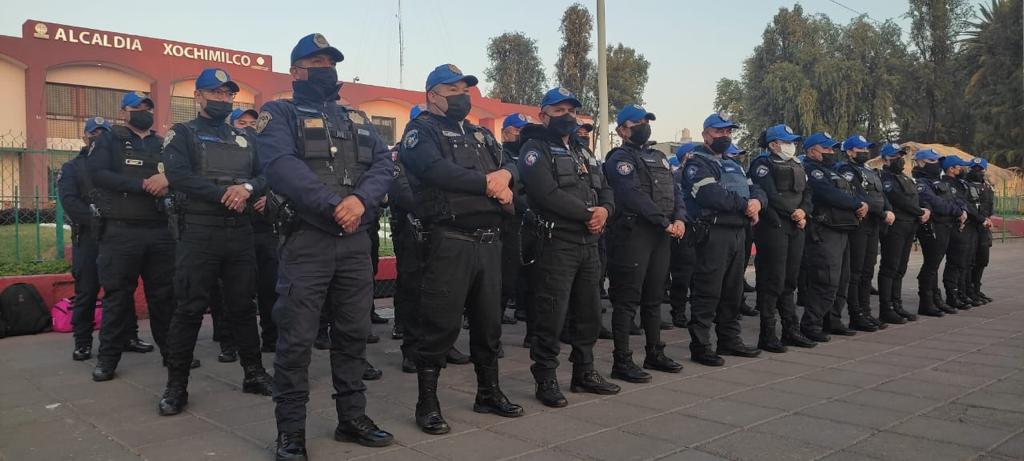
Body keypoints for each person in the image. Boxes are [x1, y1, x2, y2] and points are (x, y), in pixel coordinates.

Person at [256, 34, 395, 459]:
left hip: (354, 241)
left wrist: (359, 201)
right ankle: (291, 431)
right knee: (296, 340)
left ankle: (351, 418)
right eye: (315, 61)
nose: (325, 68)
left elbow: (384, 164)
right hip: (308, 241)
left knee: (353, 334)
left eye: (330, 61)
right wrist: (336, 205)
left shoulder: (357, 117)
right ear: (295, 70)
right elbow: (282, 167)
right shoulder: (277, 114)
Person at [399, 63, 523, 435]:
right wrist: (489, 183)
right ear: (432, 95)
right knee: (439, 325)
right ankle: (428, 402)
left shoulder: (480, 134)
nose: (462, 96)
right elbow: (435, 171)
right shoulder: (420, 132)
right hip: (449, 241)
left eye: (465, 89)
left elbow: (515, 165)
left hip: (489, 242)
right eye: (453, 89)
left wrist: (507, 176)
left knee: (488, 325)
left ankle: (488, 391)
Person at [155, 68, 274, 416]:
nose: (222, 100)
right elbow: (178, 177)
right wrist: (226, 193)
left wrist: (248, 189)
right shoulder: (182, 133)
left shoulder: (245, 138)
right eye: (216, 93)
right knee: (189, 307)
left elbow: (266, 173)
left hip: (239, 232)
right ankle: (176, 386)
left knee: (242, 306)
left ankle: (253, 373)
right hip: (199, 232)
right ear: (199, 97)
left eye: (227, 95)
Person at [517, 88, 620, 407]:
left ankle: (584, 372)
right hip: (556, 242)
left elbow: (605, 188)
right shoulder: (534, 150)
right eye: (559, 110)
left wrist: (605, 210)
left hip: (589, 243)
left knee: (589, 310)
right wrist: (588, 214)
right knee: (551, 312)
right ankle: (545, 377)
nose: (567, 116)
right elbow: (545, 193)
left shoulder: (583, 151)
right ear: (543, 115)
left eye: (571, 111)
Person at [87, 91, 175, 382]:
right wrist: (140, 184)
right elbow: (97, 174)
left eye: (148, 106)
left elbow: (179, 174)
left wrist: (167, 182)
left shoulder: (162, 143)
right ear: (124, 111)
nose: (143, 111)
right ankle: (108, 359)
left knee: (164, 297)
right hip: (121, 231)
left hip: (159, 230)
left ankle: (172, 355)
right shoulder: (109, 139)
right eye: (137, 106)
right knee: (117, 298)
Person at [59, 117, 156, 361]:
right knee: (87, 291)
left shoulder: (116, 164)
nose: (98, 137)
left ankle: (129, 336)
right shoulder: (72, 167)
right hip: (90, 236)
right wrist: (98, 220)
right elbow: (70, 202)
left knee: (123, 288)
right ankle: (82, 342)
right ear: (85, 136)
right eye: (94, 132)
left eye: (103, 132)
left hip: (117, 234)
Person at [603, 104, 684, 382]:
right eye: (637, 122)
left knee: (654, 297)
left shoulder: (659, 157)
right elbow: (632, 195)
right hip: (633, 234)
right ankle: (622, 360)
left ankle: (655, 352)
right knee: (627, 299)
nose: (643, 125)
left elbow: (676, 192)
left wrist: (680, 218)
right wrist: (665, 221)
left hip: (662, 234)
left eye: (646, 121)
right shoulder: (619, 159)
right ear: (622, 130)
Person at [682, 113, 767, 366]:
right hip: (713, 233)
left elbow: (756, 189)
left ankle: (729, 339)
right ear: (706, 133)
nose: (725, 136)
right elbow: (710, 195)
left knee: (733, 291)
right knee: (708, 291)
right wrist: (745, 206)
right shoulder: (697, 162)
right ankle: (701, 345)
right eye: (720, 132)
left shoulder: (734, 163)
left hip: (738, 233)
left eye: (729, 132)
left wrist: (757, 202)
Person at [747, 124, 816, 352]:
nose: (791, 146)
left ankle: (791, 330)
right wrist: (793, 213)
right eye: (787, 142)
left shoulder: (797, 164)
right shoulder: (762, 164)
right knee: (772, 281)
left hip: (796, 225)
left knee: (789, 280)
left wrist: (803, 211)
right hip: (774, 226)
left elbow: (807, 193)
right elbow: (768, 194)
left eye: (793, 141)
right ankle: (767, 334)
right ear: (774, 144)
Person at [798, 132, 868, 342]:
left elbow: (854, 192)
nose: (831, 152)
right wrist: (856, 204)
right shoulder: (811, 171)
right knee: (825, 279)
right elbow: (827, 194)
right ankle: (811, 324)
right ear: (812, 151)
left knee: (842, 279)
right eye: (826, 149)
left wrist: (862, 203)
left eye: (832, 148)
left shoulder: (833, 171)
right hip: (824, 230)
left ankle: (833, 320)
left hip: (842, 229)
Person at [836, 135, 895, 332]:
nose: (865, 152)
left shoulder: (869, 170)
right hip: (860, 224)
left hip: (874, 224)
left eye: (866, 148)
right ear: (850, 151)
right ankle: (856, 314)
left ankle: (866, 311)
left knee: (868, 270)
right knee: (856, 271)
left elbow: (880, 195)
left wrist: (889, 210)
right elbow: (857, 195)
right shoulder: (846, 170)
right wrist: (882, 212)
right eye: (860, 149)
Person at [233, 108, 278, 352]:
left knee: (271, 287)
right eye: (243, 122)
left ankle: (271, 338)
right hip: (237, 228)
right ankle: (233, 342)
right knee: (239, 289)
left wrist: (272, 198)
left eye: (253, 122)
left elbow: (280, 177)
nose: (249, 127)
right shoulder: (226, 152)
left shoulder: (268, 151)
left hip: (266, 229)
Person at [877, 143, 929, 324]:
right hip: (895, 227)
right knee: (890, 267)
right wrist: (920, 212)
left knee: (900, 268)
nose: (899, 159)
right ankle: (886, 308)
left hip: (909, 226)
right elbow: (898, 200)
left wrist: (923, 210)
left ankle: (896, 304)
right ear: (885, 159)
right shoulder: (885, 178)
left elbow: (915, 198)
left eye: (900, 156)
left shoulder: (906, 178)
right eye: (895, 156)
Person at [912, 149, 966, 317]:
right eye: (932, 161)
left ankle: (936, 299)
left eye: (937, 161)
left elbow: (955, 199)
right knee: (931, 265)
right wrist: (957, 212)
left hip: (946, 226)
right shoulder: (921, 183)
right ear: (921, 163)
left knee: (935, 266)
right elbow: (936, 204)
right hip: (934, 227)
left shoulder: (939, 182)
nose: (936, 164)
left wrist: (961, 210)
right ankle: (926, 302)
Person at [499, 113, 531, 326]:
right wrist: (527, 207)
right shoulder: (499, 155)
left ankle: (523, 309)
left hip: (531, 221)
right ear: (504, 133)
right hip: (509, 221)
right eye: (517, 131)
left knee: (527, 272)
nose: (521, 135)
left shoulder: (530, 155)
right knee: (504, 274)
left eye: (524, 131)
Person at [939, 155, 977, 310]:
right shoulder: (946, 184)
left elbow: (965, 202)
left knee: (962, 262)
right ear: (951, 169)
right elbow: (956, 202)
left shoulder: (959, 183)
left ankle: (960, 292)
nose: (962, 169)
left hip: (964, 225)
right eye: (959, 166)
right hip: (954, 226)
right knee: (955, 262)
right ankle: (952, 294)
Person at [668, 143, 698, 329]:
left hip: (700, 228)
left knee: (699, 274)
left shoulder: (703, 173)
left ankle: (696, 310)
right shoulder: (677, 176)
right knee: (682, 274)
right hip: (683, 229)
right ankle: (678, 311)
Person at [965, 158, 995, 304]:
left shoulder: (987, 187)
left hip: (984, 228)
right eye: (974, 168)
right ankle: (968, 290)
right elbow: (968, 207)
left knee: (982, 259)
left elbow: (990, 206)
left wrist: (988, 219)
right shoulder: (965, 186)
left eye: (980, 169)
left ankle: (976, 288)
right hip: (971, 226)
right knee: (970, 260)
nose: (977, 171)